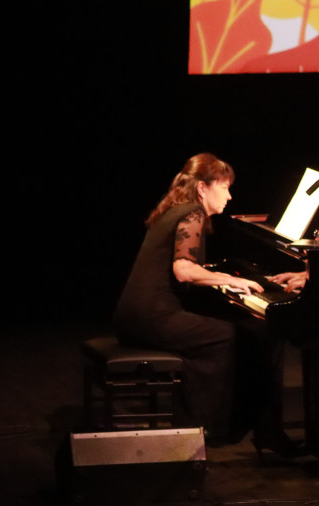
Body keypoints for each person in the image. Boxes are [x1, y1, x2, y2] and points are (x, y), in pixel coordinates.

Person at [113, 153, 296, 456]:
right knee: (230, 336)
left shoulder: (173, 210)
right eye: (224, 187)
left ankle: (254, 427)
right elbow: (183, 270)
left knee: (239, 331)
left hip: (130, 316)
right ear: (202, 188)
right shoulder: (193, 214)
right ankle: (207, 426)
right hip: (152, 318)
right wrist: (231, 280)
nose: (230, 195)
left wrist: (220, 280)